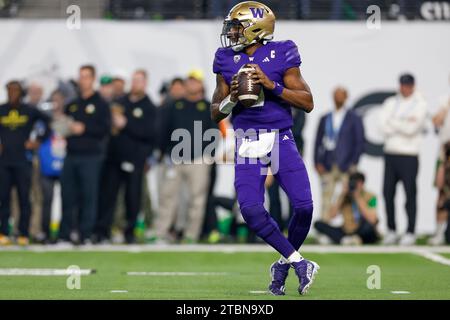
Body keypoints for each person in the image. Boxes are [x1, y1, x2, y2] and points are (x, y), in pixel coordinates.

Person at [211, 1, 318, 295]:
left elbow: (307, 102)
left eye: (236, 26)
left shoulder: (282, 51)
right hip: (247, 137)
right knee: (251, 209)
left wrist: (272, 85)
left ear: (255, 29)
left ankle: (285, 264)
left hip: (280, 135)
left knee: (304, 207)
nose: (231, 33)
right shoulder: (224, 57)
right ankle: (296, 261)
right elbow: (215, 112)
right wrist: (231, 98)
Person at [95, 70, 156, 244]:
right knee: (108, 196)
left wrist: (126, 124)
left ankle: (130, 232)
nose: (135, 84)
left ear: (145, 83)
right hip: (113, 157)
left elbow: (149, 133)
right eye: (134, 80)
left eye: (139, 81)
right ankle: (102, 231)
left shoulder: (149, 106)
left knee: (132, 198)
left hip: (134, 159)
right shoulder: (120, 102)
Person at [155, 76, 217, 243]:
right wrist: (165, 152)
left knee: (196, 199)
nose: (191, 84)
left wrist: (207, 154)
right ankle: (162, 232)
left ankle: (191, 234)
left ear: (201, 85)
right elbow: (164, 130)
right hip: (175, 158)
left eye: (195, 81)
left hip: (198, 159)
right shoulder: (175, 105)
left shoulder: (207, 106)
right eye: (189, 81)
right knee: (168, 197)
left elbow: (214, 132)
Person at [58, 65, 111, 245]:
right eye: (81, 77)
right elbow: (62, 125)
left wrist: (85, 128)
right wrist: (63, 127)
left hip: (91, 156)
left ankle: (85, 234)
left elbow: (105, 129)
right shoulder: (72, 104)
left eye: (86, 77)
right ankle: (65, 235)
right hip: (71, 155)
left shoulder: (100, 104)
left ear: (93, 79)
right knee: (67, 196)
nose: (83, 80)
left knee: (89, 196)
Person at [0, 81, 50, 245]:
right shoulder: (2, 109)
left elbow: (49, 122)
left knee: (24, 197)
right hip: (4, 161)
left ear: (21, 92)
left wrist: (38, 141)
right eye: (9, 90)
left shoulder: (29, 110)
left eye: (15, 91)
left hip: (23, 160)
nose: (12, 93)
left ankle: (23, 232)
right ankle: (4, 233)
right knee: (4, 198)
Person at [380, 73, 427, 246]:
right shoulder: (390, 103)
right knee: (388, 193)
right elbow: (382, 127)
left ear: (413, 86)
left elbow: (412, 129)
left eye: (408, 85)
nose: (404, 88)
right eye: (402, 84)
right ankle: (391, 230)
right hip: (391, 153)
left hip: (409, 155)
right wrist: (403, 123)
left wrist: (394, 122)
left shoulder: (420, 104)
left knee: (410, 194)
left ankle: (410, 231)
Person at [314, 87, 365, 221]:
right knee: (326, 196)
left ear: (346, 97)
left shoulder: (354, 118)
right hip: (328, 163)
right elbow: (318, 141)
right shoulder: (325, 118)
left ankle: (350, 227)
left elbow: (359, 141)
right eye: (336, 96)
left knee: (348, 197)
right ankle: (325, 226)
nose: (338, 99)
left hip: (346, 164)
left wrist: (354, 162)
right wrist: (317, 162)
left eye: (341, 96)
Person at [314, 172, 379, 245]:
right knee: (318, 224)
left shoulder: (372, 197)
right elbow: (331, 216)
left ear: (362, 184)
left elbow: (372, 219)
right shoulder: (344, 196)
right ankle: (346, 240)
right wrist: (342, 195)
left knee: (370, 228)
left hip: (361, 229)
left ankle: (342, 239)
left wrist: (357, 197)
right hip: (346, 230)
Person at [429, 77, 450, 245]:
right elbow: (436, 121)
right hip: (445, 150)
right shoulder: (444, 99)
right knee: (441, 191)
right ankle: (439, 231)